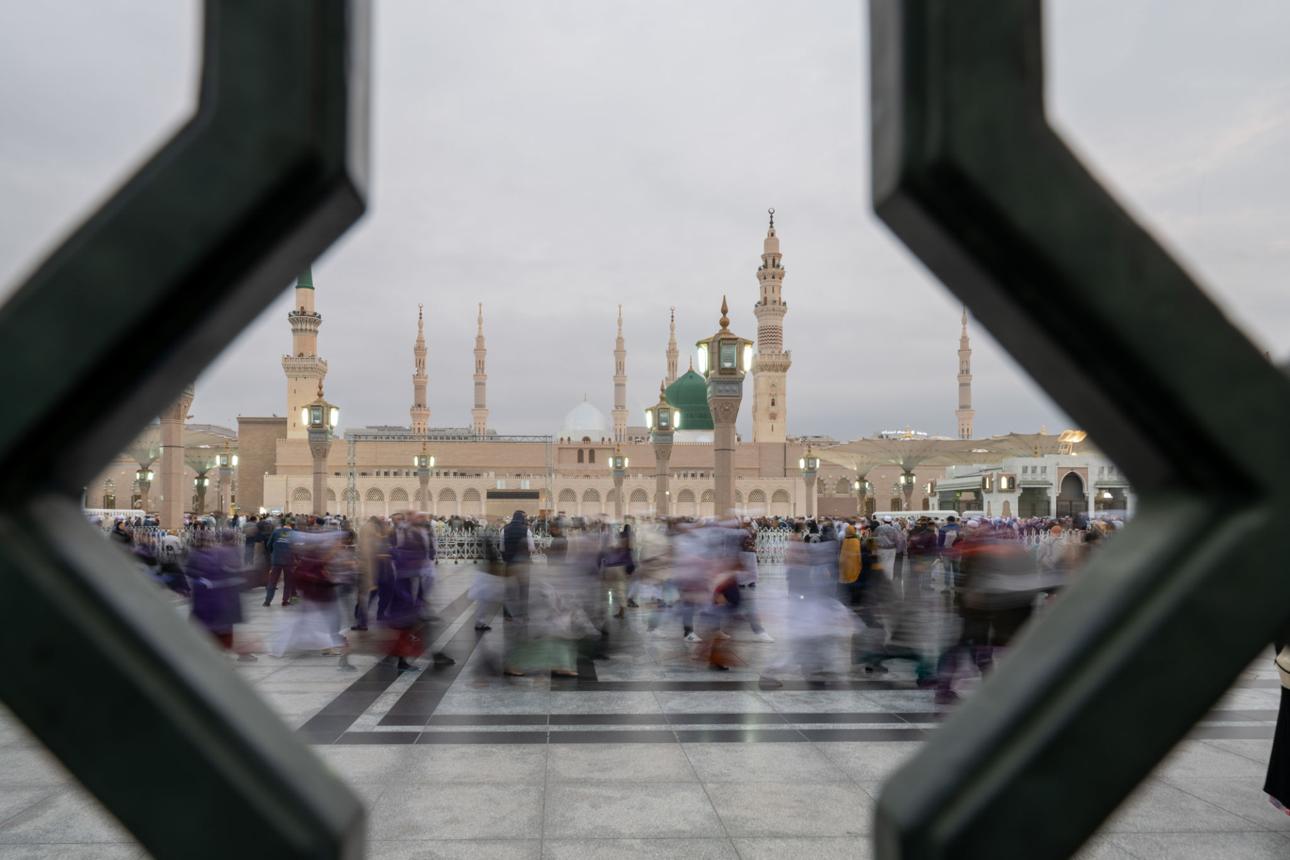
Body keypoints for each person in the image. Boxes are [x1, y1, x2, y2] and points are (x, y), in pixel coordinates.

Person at [264, 518, 295, 606]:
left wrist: (273, 553)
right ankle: (285, 601)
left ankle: (267, 601)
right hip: (289, 561)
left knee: (272, 581)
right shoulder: (294, 534)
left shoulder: (276, 532)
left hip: (276, 560)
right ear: (291, 527)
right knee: (288, 581)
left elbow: (268, 545)